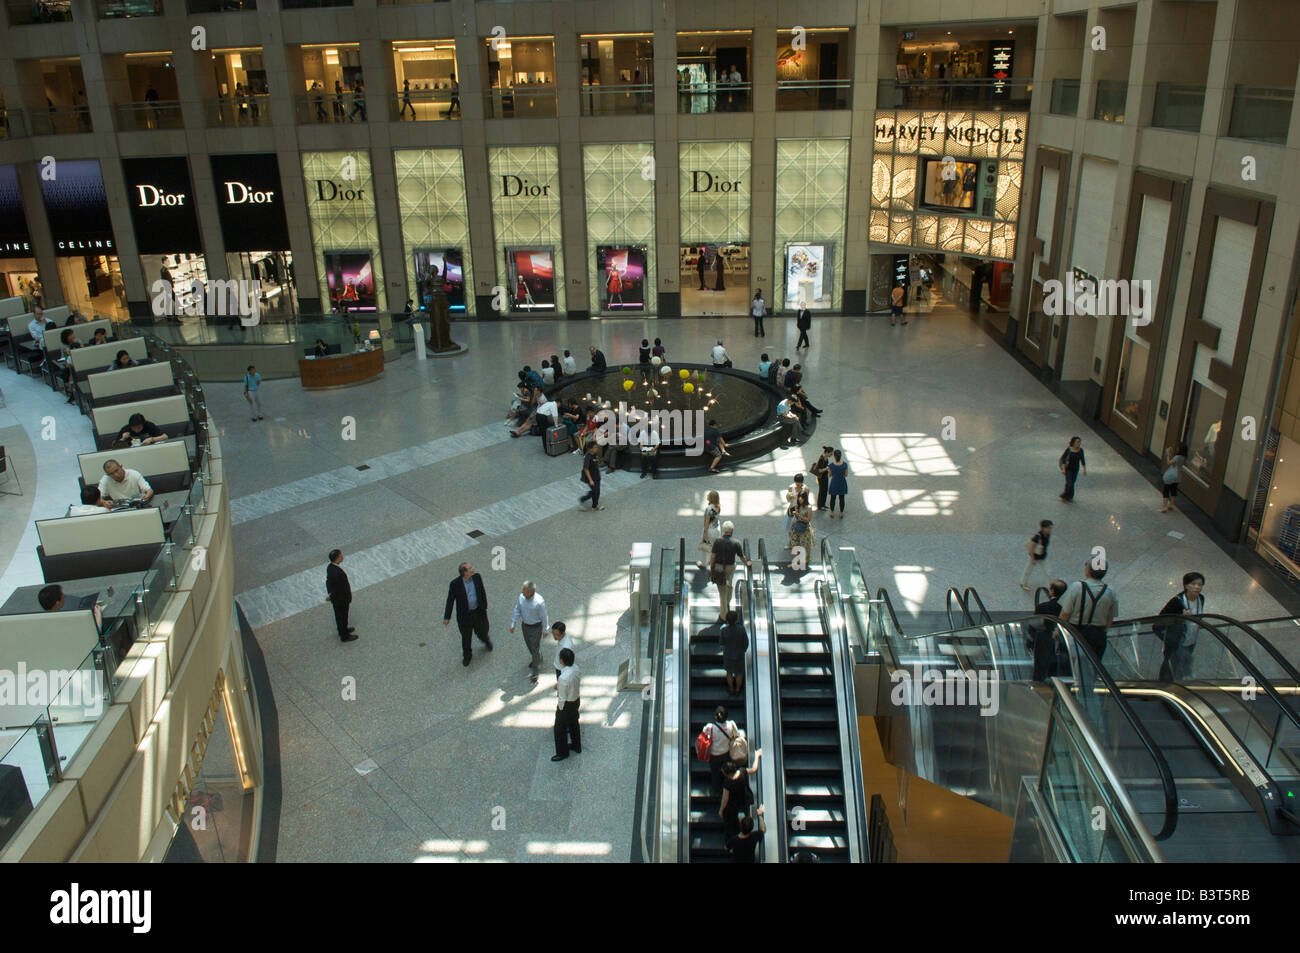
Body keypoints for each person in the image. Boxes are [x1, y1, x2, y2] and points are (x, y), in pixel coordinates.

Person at [1058, 558, 1118, 668]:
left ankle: (1071, 683)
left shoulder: (1076, 587)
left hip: (1075, 631)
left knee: (1071, 664)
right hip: (1098, 635)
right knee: (1093, 666)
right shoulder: (1111, 592)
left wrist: (1057, 631)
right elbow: (1110, 618)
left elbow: (1065, 613)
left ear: (1088, 571)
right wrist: (1103, 632)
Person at [1156, 572, 1205, 681]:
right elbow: (1160, 620)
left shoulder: (1201, 599)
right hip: (1177, 640)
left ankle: (1174, 685)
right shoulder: (1177, 601)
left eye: (1200, 584)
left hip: (1191, 639)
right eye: (1193, 584)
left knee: (1183, 664)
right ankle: (1174, 687)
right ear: (1186, 585)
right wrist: (1180, 617)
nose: (1197, 587)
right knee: (1179, 667)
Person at [443, 562, 493, 666]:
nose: (472, 569)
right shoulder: (455, 584)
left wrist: (484, 606)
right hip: (465, 616)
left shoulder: (477, 577)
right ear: (464, 572)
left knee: (483, 630)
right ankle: (467, 656)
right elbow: (450, 600)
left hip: (478, 612)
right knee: (466, 637)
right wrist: (447, 617)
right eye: (470, 568)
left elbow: (482, 592)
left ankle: (485, 639)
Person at [709, 521, 751, 621]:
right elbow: (741, 556)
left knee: (721, 591)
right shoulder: (736, 542)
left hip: (719, 568)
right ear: (732, 530)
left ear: (723, 530)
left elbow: (713, 556)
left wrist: (711, 567)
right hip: (730, 567)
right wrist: (747, 564)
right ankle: (728, 598)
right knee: (729, 583)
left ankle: (723, 615)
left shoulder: (718, 541)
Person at [509, 581, 550, 683]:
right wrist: (513, 623)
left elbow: (544, 616)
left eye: (523, 589)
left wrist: (545, 629)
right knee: (530, 646)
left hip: (536, 627)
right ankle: (537, 657)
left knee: (534, 647)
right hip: (525, 626)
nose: (521, 591)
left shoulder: (539, 602)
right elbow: (517, 610)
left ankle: (535, 668)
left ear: (529, 592)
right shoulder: (521, 597)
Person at [718, 749, 763, 842]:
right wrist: (757, 756)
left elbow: (725, 798)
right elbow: (754, 769)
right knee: (745, 811)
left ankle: (732, 835)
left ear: (727, 773)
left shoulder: (727, 782)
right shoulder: (742, 771)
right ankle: (745, 826)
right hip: (744, 798)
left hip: (733, 802)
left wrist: (721, 810)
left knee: (731, 819)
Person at [1030, 580, 1067, 683]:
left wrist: (1030, 641)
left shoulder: (1042, 606)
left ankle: (1039, 684)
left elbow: (1034, 625)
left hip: (1043, 639)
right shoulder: (1065, 607)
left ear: (1052, 591)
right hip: (1062, 639)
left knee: (1041, 665)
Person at [552, 647, 581, 761]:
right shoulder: (576, 668)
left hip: (566, 705)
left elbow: (562, 697)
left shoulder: (563, 678)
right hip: (576, 700)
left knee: (559, 729)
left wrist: (560, 709)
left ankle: (562, 752)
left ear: (562, 661)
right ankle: (576, 745)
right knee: (574, 724)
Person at [703, 705, 740, 795]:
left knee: (715, 773)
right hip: (726, 753)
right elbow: (737, 735)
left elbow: (704, 733)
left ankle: (716, 789)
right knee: (727, 771)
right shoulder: (731, 724)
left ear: (715, 716)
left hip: (714, 755)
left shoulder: (710, 727)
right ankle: (727, 788)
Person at [326, 549, 358, 642]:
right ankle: (344, 636)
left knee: (342, 615)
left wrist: (330, 594)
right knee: (342, 616)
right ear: (337, 558)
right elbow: (336, 588)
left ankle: (343, 629)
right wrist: (331, 596)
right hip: (340, 599)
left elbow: (328, 582)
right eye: (341, 555)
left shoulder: (330, 567)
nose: (342, 557)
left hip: (339, 598)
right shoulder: (337, 572)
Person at [720, 609, 749, 696]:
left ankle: (731, 688)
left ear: (727, 620)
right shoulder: (741, 629)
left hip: (728, 655)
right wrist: (743, 650)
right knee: (739, 673)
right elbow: (746, 642)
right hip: (739, 655)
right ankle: (737, 689)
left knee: (729, 672)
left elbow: (721, 643)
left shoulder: (724, 630)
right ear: (736, 619)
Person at [1020, 519, 1054, 591]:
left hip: (1042, 556)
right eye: (1048, 528)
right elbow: (1031, 547)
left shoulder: (1048, 535)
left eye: (1050, 528)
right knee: (1028, 571)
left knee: (1048, 571)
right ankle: (1023, 583)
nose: (1049, 529)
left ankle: (1050, 585)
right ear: (1043, 528)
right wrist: (1032, 558)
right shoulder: (1037, 537)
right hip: (1035, 556)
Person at [697, 489, 722, 569]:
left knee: (706, 546)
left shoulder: (708, 509)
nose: (707, 496)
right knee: (715, 546)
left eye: (708, 495)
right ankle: (714, 562)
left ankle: (704, 564)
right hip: (717, 529)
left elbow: (707, 522)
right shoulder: (718, 506)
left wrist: (704, 534)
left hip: (710, 530)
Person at [1161, 444, 1187, 513]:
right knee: (1173, 490)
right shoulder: (1183, 457)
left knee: (1166, 489)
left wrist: (1168, 455)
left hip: (1171, 476)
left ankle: (1164, 507)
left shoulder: (1177, 457)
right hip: (1178, 476)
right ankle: (1171, 504)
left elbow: (1169, 463)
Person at [1059, 436, 1086, 501]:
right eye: (1077, 442)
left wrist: (1084, 469)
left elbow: (1082, 460)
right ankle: (1067, 494)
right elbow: (1064, 459)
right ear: (1073, 442)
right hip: (1068, 469)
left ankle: (1069, 495)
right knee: (1069, 482)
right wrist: (1063, 469)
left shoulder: (1081, 450)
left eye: (1079, 442)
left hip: (1076, 469)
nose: (1079, 443)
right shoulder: (1069, 450)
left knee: (1072, 482)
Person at [790, 491, 814, 561]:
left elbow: (808, 520)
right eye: (799, 498)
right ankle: (797, 559)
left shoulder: (809, 507)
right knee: (796, 543)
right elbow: (795, 516)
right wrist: (795, 514)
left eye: (802, 498)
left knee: (806, 544)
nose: (800, 499)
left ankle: (807, 557)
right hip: (797, 526)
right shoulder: (798, 506)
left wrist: (799, 516)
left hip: (805, 528)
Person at [578, 444, 604, 510]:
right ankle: (582, 499)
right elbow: (586, 469)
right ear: (590, 449)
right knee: (594, 491)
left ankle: (594, 506)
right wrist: (590, 480)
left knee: (597, 492)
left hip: (596, 476)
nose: (596, 448)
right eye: (595, 447)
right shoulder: (587, 457)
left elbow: (596, 464)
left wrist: (599, 473)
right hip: (590, 477)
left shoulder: (595, 454)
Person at [826, 449, 849, 518]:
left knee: (833, 498)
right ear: (841, 456)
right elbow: (846, 474)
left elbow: (830, 475)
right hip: (842, 482)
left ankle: (832, 512)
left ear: (834, 457)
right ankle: (841, 513)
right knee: (841, 498)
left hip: (834, 483)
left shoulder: (831, 466)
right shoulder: (845, 465)